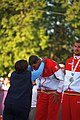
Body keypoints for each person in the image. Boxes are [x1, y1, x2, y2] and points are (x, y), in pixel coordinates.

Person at [29, 55, 64, 120]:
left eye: (34, 66)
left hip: (54, 93)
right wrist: (38, 90)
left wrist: (58, 92)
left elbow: (62, 79)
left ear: (39, 61)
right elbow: (38, 78)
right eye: (32, 67)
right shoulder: (35, 67)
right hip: (43, 92)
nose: (34, 68)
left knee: (52, 115)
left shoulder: (51, 64)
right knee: (39, 114)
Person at [62, 40, 80, 120]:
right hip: (66, 94)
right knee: (65, 117)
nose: (76, 49)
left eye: (79, 47)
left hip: (77, 95)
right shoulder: (68, 61)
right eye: (75, 46)